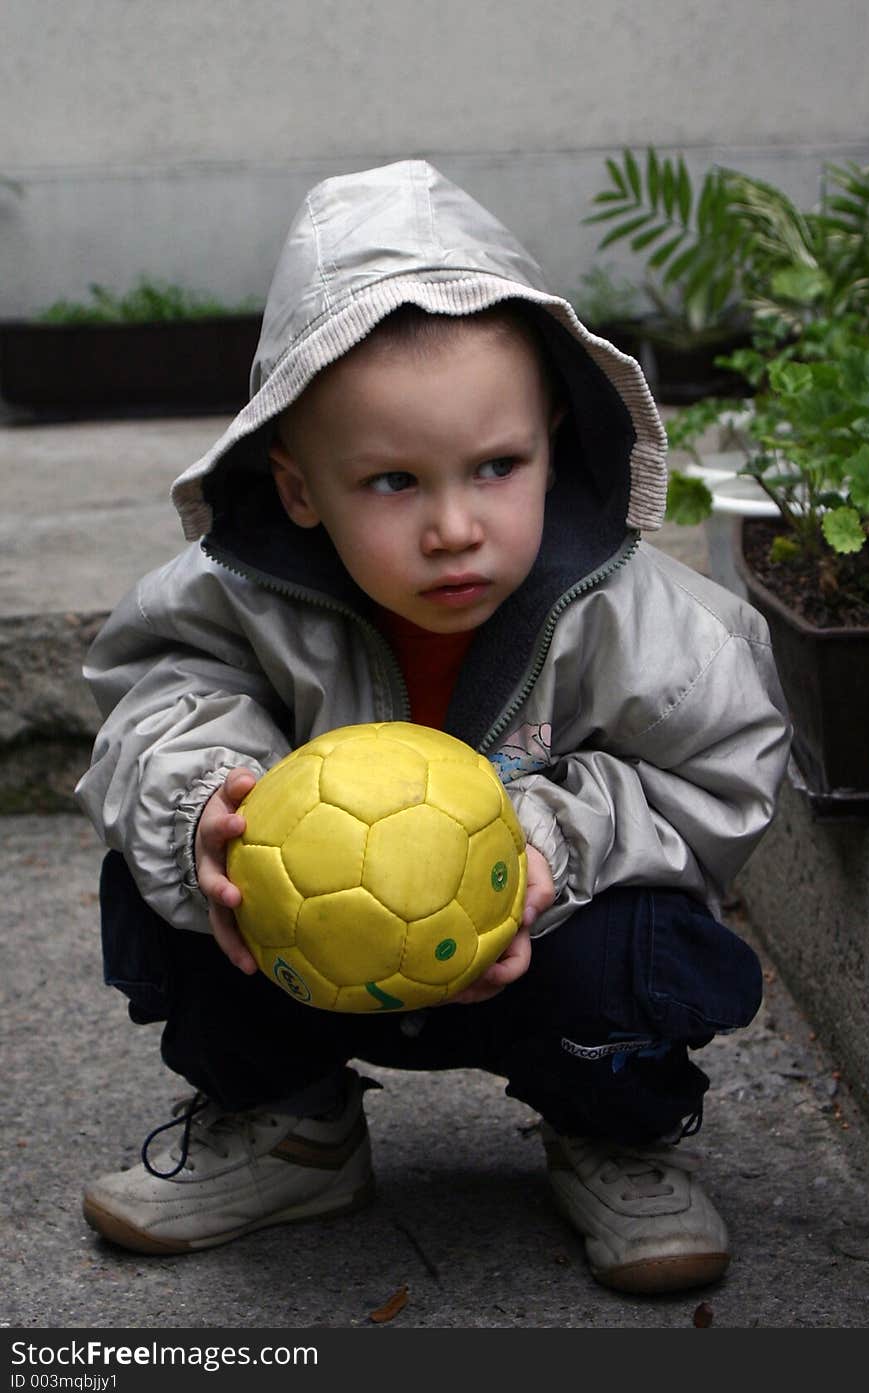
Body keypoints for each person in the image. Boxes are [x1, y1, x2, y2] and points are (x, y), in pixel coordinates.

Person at [76, 159, 791, 1295]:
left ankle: (611, 1129)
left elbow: (718, 785)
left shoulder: (648, 627)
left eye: (497, 468)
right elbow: (155, 697)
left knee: (650, 937)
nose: (456, 527)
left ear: (554, 435)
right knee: (163, 873)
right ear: (301, 488)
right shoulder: (236, 596)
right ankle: (293, 1127)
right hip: (304, 954)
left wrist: (545, 843)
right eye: (393, 482)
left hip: (536, 956)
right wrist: (205, 799)